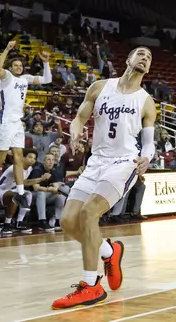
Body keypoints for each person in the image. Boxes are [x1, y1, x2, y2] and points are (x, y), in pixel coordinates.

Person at [54, 47, 156, 310]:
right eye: (140, 54)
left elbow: (148, 143)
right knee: (67, 221)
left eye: (149, 58)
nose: (145, 58)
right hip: (96, 161)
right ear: (127, 59)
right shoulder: (100, 87)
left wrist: (147, 158)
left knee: (89, 214)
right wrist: (74, 134)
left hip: (124, 162)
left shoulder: (145, 101)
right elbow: (79, 118)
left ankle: (91, 285)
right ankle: (110, 252)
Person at [0, 40, 51, 213]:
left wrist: (46, 62)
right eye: (15, 65)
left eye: (20, 65)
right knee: (1, 158)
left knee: (19, 157)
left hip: (18, 122)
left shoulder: (25, 79)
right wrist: (7, 48)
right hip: (5, 121)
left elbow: (47, 79)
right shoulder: (6, 77)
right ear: (10, 68)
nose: (19, 67)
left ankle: (19, 192)